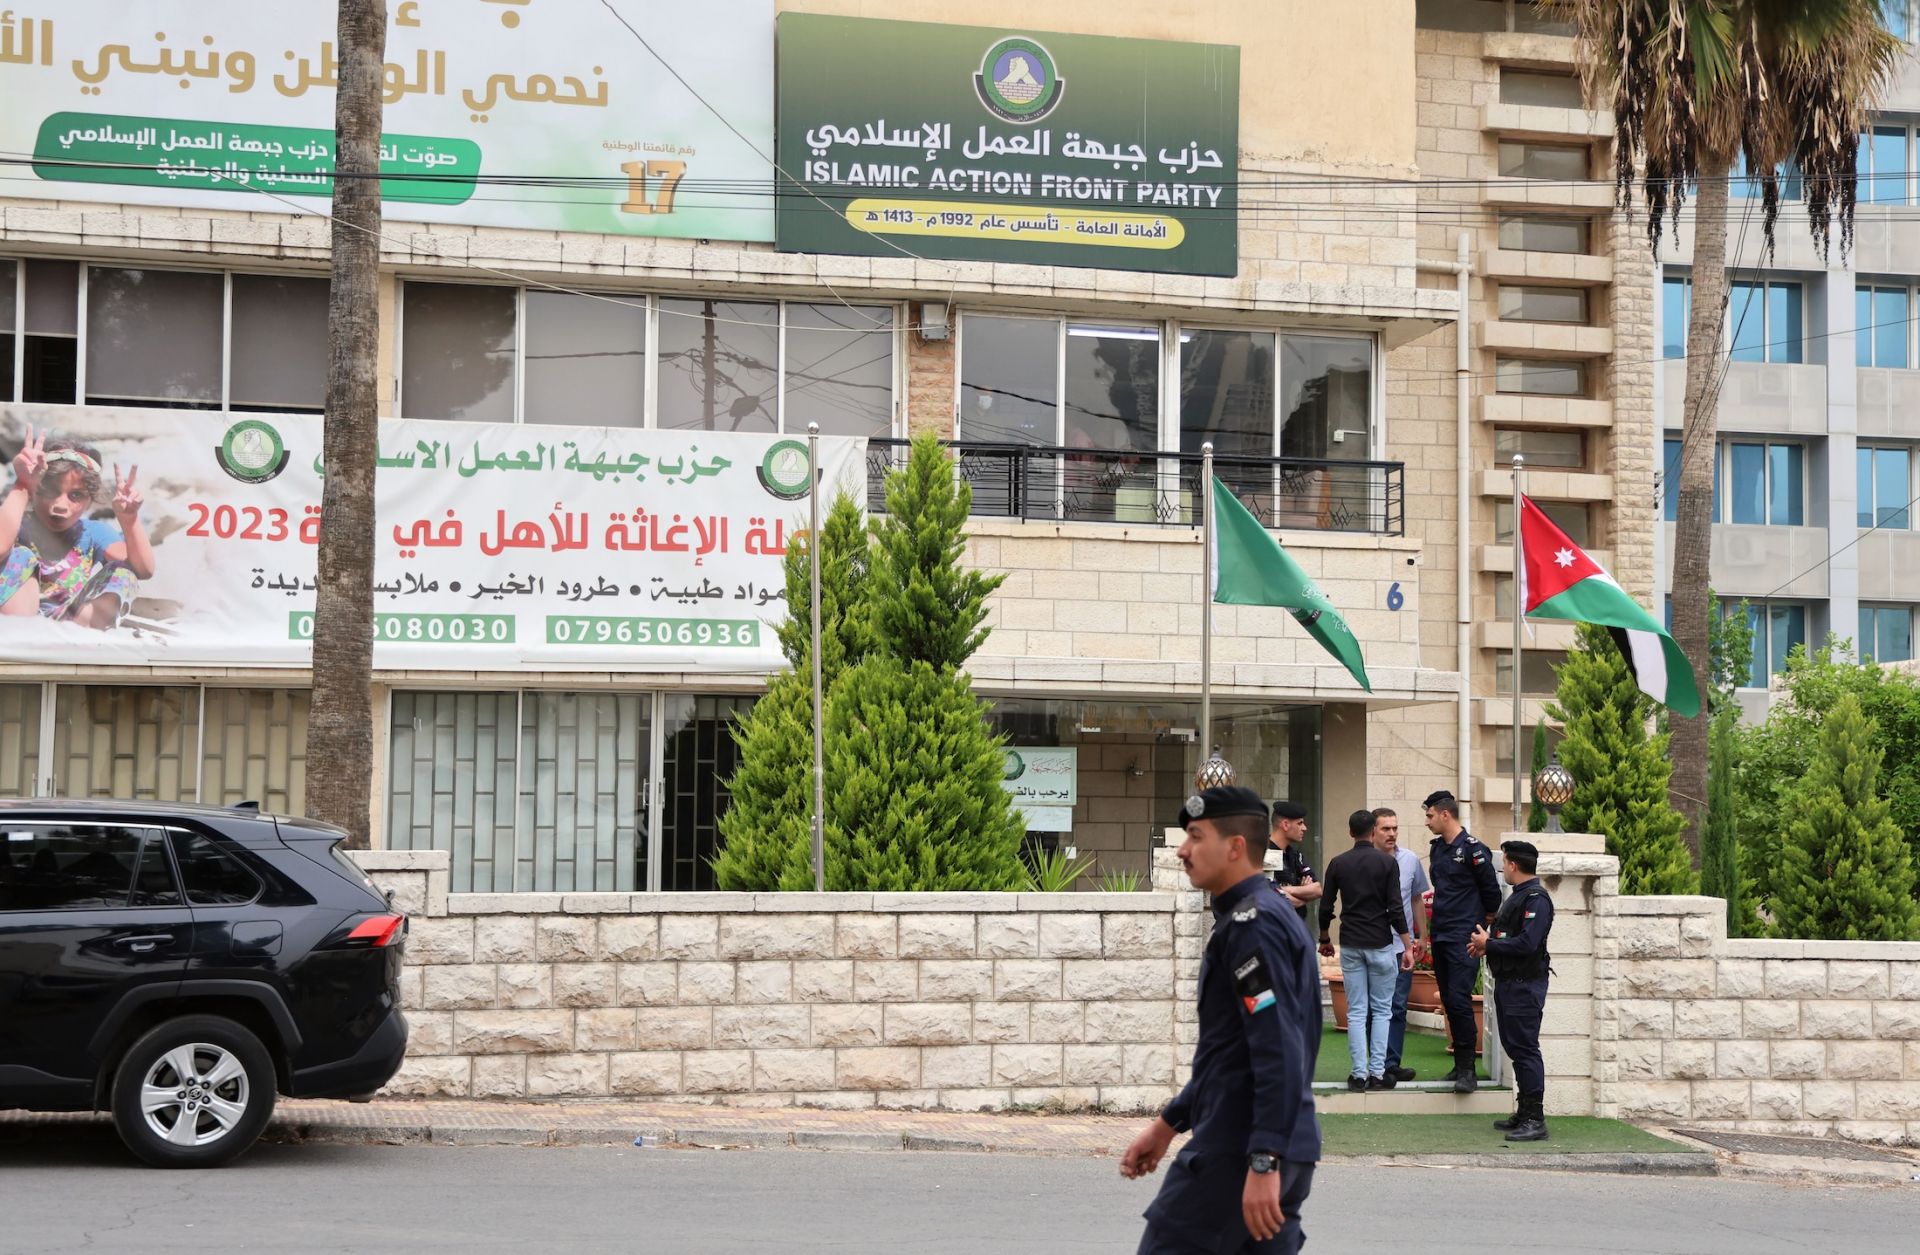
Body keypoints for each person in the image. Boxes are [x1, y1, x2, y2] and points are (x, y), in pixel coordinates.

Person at [1122, 786, 1320, 1254]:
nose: (1182, 850)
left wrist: (1262, 1160)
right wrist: (1169, 1123)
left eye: (1194, 836)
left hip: (1239, 1148)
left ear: (1234, 847)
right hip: (1276, 1144)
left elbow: (1277, 1048)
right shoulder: (1262, 915)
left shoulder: (1254, 926)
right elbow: (1231, 1050)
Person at [0, 426, 151, 630]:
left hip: (70, 621)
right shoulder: (16, 523)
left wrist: (130, 519)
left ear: (90, 501)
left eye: (76, 495)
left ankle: (88, 626)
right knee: (20, 556)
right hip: (18, 619)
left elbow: (143, 569)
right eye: (50, 491)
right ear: (35, 489)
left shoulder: (93, 532)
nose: (61, 505)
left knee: (124, 573)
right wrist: (23, 484)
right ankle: (23, 630)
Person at [1316, 809, 1413, 1091]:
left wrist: (1324, 938)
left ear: (1350, 833)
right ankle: (1378, 1074)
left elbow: (1326, 906)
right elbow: (1396, 908)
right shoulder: (1386, 863)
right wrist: (1407, 945)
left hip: (1350, 942)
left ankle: (1358, 1075)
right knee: (1382, 1011)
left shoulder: (1338, 863)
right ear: (1373, 832)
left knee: (1357, 1012)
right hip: (1381, 943)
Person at [1471, 839, 1555, 1141]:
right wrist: (1488, 946)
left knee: (1525, 1049)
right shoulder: (1519, 896)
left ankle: (1535, 1118)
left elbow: (1528, 944)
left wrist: (1489, 944)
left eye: (1504, 862)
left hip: (1523, 986)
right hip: (1511, 984)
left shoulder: (1536, 899)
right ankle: (1524, 1112)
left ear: (1513, 865)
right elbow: (1510, 937)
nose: (1502, 868)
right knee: (1516, 1048)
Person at [1422, 789, 1500, 1093]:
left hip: (1464, 936)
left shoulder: (1473, 849)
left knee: (1459, 998)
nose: (1426, 822)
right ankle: (1459, 1065)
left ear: (1445, 814)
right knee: (1450, 1001)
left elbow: (1491, 892)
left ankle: (1468, 1069)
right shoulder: (1438, 849)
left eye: (1430, 815)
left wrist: (1485, 920)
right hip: (1441, 933)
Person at [1371, 807, 1429, 1083]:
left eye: (1395, 828)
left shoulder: (1409, 860)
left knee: (1397, 1006)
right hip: (1369, 946)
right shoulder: (1362, 861)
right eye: (1386, 829)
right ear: (1373, 831)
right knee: (1371, 1007)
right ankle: (1372, 1064)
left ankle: (1391, 1063)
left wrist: (1422, 937)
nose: (1392, 833)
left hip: (1401, 946)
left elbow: (1417, 899)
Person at [1266, 801, 1319, 928]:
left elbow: (1317, 889)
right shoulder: (1267, 853)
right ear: (1285, 825)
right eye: (1300, 823)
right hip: (1275, 929)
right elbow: (1270, 896)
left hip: (1295, 929)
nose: (1304, 828)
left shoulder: (1295, 855)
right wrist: (1304, 895)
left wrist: (1283, 890)